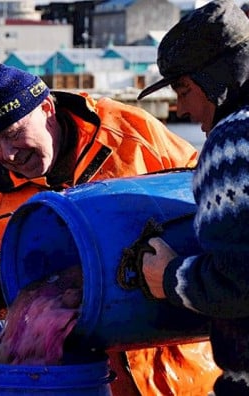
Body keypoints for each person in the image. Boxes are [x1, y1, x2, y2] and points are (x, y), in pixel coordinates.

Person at [0, 62, 218, 395]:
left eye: (13, 133)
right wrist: (11, 282)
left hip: (173, 367)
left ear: (47, 107)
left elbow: (206, 196)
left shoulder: (131, 134)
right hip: (77, 372)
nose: (8, 154)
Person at [138, 0, 249, 394]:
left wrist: (168, 277)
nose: (181, 107)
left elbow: (238, 282)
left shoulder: (232, 144)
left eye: (184, 89)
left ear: (219, 79)